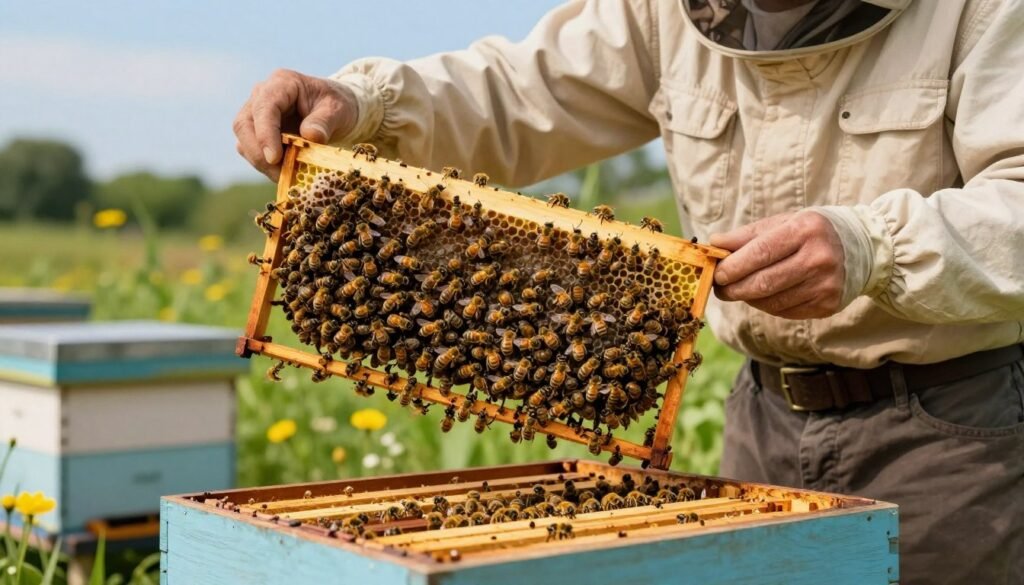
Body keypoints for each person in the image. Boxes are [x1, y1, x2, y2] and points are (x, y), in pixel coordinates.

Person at [234, 0, 1024, 582]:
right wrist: (367, 100)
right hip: (764, 421)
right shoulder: (662, 12)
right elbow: (519, 90)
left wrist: (871, 247)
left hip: (949, 435)